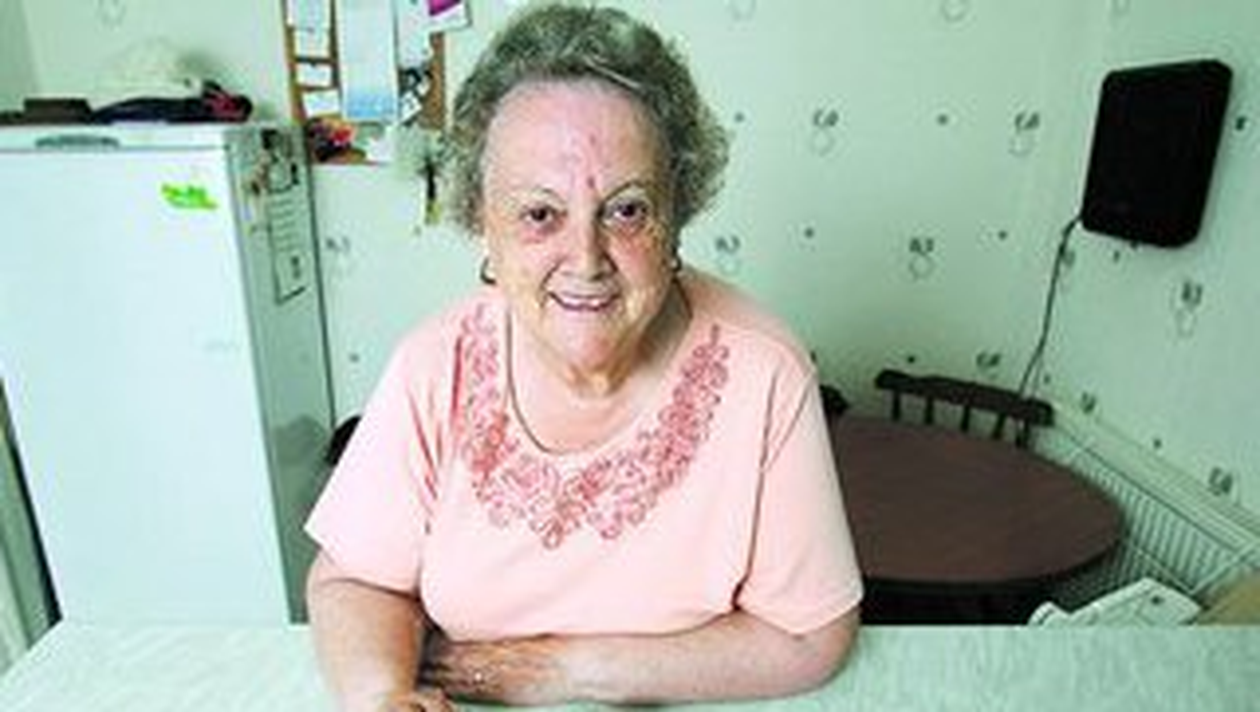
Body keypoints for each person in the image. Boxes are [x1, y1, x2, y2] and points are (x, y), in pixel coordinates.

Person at [304, 3, 863, 710]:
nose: (586, 259)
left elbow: (809, 634)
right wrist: (383, 695)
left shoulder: (766, 372)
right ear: (482, 222)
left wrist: (566, 671)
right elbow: (353, 579)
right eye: (539, 214)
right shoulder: (434, 365)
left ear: (678, 211)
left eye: (626, 210)